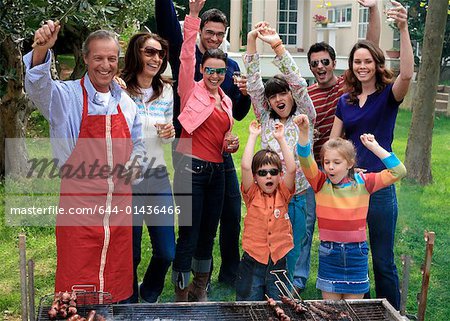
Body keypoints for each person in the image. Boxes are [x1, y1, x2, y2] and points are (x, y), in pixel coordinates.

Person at [24, 22, 146, 302]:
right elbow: (38, 89)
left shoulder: (126, 103)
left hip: (118, 213)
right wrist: (42, 49)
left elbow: (138, 144)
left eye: (112, 58)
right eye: (99, 58)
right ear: (85, 58)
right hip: (78, 212)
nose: (106, 65)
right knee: (76, 291)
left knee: (115, 286)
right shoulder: (65, 97)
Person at [156, 0, 251, 287]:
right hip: (188, 150)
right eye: (209, 32)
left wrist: (244, 95)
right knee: (191, 223)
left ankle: (221, 275)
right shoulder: (189, 65)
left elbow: (235, 112)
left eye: (219, 34)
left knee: (229, 213)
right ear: (200, 32)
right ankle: (185, 283)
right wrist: (193, 16)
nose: (214, 38)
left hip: (218, 153)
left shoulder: (228, 67)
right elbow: (179, 42)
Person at [293, 0, 381, 293]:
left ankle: (355, 282)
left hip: (346, 169)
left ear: (334, 63)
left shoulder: (348, 84)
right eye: (314, 63)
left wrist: (371, 10)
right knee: (308, 227)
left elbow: (370, 48)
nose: (320, 67)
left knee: (350, 228)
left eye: (324, 61)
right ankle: (300, 278)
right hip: (318, 169)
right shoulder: (308, 94)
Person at [330, 0, 413, 308]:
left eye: (367, 61)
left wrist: (402, 27)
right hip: (350, 190)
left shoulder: (388, 96)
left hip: (378, 189)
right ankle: (360, 309)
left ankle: (392, 312)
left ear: (377, 65)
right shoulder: (346, 101)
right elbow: (333, 144)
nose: (361, 66)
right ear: (351, 66)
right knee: (354, 257)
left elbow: (406, 74)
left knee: (383, 260)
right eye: (356, 62)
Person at [295, 114, 407, 300]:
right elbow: (305, 158)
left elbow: (399, 171)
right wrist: (304, 132)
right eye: (327, 162)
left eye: (337, 163)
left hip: (357, 255)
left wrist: (374, 147)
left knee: (353, 312)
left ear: (350, 164)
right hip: (329, 254)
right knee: (332, 312)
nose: (330, 167)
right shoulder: (320, 183)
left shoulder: (364, 182)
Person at [171, 0, 237, 302]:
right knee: (189, 234)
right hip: (190, 170)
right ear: (201, 69)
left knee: (208, 234)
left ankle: (199, 291)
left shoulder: (226, 101)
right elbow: (186, 52)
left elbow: (222, 139)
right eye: (209, 70)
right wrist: (193, 17)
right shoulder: (190, 88)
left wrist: (230, 143)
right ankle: (180, 297)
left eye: (219, 71)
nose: (214, 75)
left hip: (217, 172)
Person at [243, 22, 316, 284]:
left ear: (291, 96)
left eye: (283, 93)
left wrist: (277, 46)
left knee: (300, 237)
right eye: (273, 96)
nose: (278, 99)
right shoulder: (264, 117)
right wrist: (252, 40)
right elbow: (253, 83)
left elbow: (298, 82)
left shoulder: (305, 114)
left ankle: (294, 284)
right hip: (270, 195)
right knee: (270, 240)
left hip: (300, 192)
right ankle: (271, 280)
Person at [120, 32, 176, 303]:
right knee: (130, 252)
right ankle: (129, 302)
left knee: (166, 251)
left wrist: (170, 132)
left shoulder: (166, 89)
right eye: (149, 52)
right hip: (127, 180)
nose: (156, 58)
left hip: (158, 176)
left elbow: (169, 127)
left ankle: (150, 292)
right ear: (136, 54)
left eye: (159, 53)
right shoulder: (118, 89)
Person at [236, 120, 296, 300]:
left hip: (278, 261)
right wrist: (253, 135)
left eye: (273, 172)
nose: (268, 175)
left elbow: (292, 168)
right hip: (253, 260)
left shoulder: (283, 193)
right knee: (249, 304)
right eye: (262, 173)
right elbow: (246, 166)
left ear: (280, 175)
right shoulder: (252, 193)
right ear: (255, 177)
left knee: (279, 305)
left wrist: (281, 139)